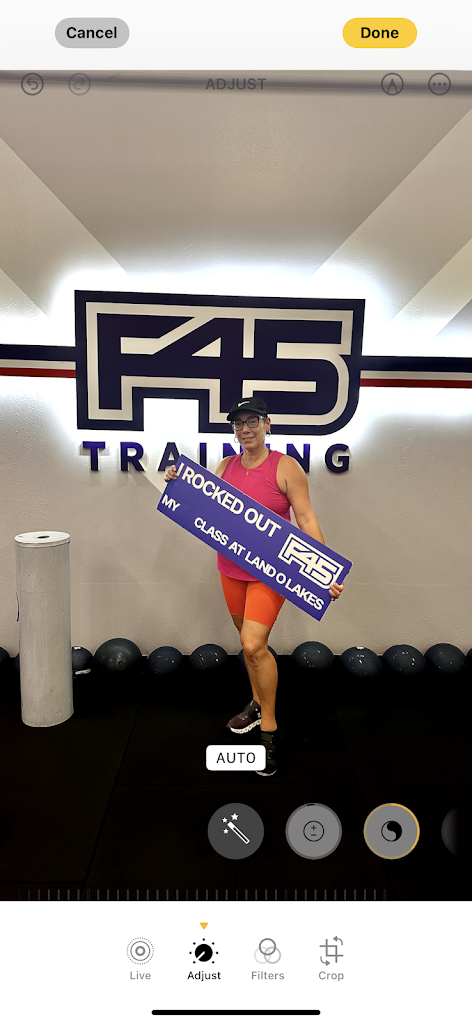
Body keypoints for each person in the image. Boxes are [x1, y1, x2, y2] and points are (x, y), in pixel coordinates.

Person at [165, 397, 343, 776]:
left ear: (267, 424)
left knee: (251, 644)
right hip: (231, 570)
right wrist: (178, 483)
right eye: (238, 423)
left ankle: (269, 730)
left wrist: (323, 569)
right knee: (250, 648)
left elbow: (306, 519)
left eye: (252, 421)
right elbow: (206, 508)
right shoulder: (225, 466)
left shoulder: (285, 466)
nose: (245, 429)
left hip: (271, 573)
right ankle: (257, 702)